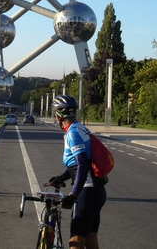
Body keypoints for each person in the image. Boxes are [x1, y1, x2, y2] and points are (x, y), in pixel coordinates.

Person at [47, 95, 106, 249]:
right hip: (96, 192)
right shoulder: (80, 128)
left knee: (75, 243)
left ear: (58, 116)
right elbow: (77, 164)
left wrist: (73, 195)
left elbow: (82, 165)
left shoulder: (73, 133)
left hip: (87, 193)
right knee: (91, 241)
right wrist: (62, 177)